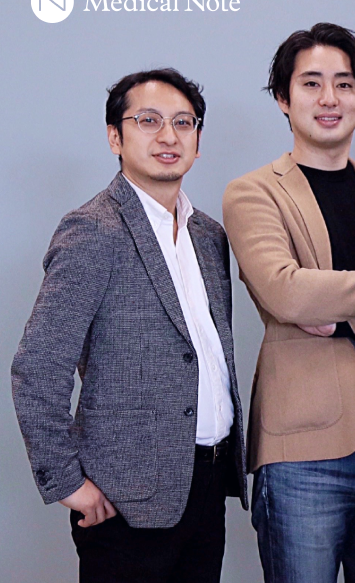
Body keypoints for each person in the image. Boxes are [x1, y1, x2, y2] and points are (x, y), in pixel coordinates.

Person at [11, 68, 245, 582]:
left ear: (198, 140)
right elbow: (38, 366)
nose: (169, 136)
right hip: (125, 497)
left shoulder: (209, 235)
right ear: (115, 137)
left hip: (207, 485)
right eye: (149, 120)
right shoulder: (93, 230)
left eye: (183, 122)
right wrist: (67, 482)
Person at [222, 22, 355, 582]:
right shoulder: (253, 192)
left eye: (345, 84)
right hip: (303, 450)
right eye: (311, 83)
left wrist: (336, 312)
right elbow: (286, 291)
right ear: (283, 98)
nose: (329, 98)